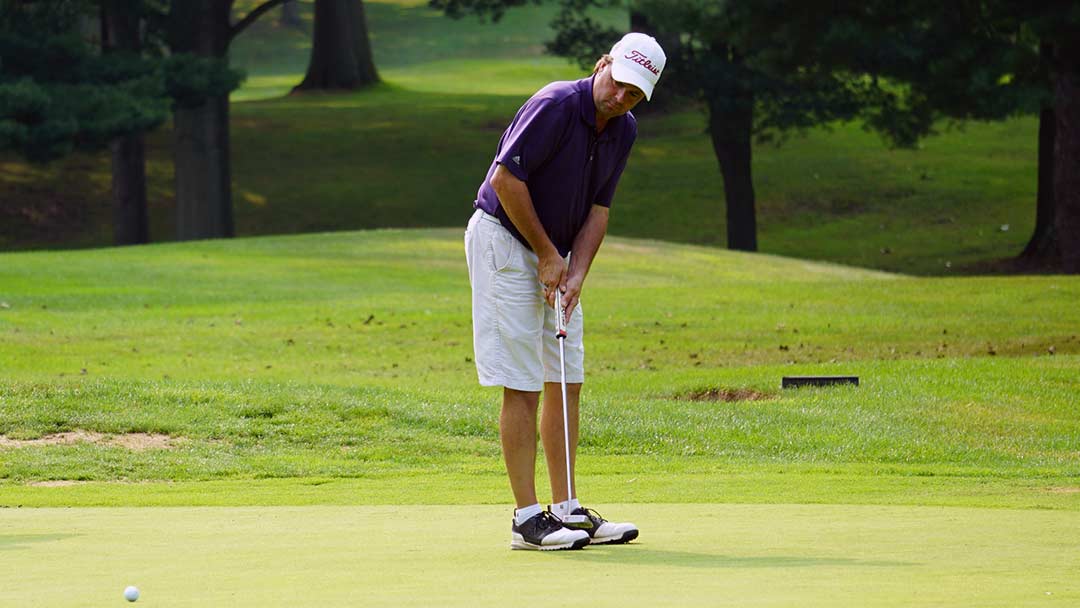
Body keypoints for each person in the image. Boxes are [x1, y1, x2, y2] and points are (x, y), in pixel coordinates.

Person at [464, 32, 667, 551]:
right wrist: (548, 254)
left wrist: (577, 272)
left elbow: (599, 209)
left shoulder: (624, 131)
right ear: (603, 64)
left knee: (566, 376)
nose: (622, 98)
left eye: (634, 95)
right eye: (619, 84)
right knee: (523, 380)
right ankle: (526, 519)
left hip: (557, 252)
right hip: (504, 241)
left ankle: (567, 508)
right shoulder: (555, 103)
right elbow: (507, 179)